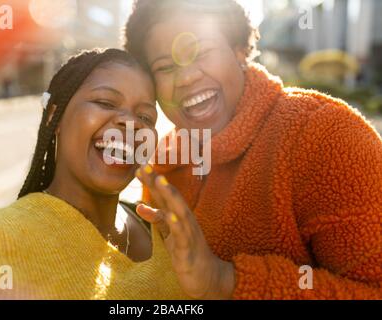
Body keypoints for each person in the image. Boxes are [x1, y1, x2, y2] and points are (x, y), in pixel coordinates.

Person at [124, 0, 382, 299]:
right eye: (165, 67)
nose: (186, 77)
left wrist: (224, 281)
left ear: (239, 50)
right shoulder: (166, 165)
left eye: (202, 52)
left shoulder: (326, 135)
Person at [0, 48, 188, 300]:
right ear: (55, 116)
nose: (131, 122)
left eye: (145, 116)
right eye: (105, 102)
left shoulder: (167, 231)